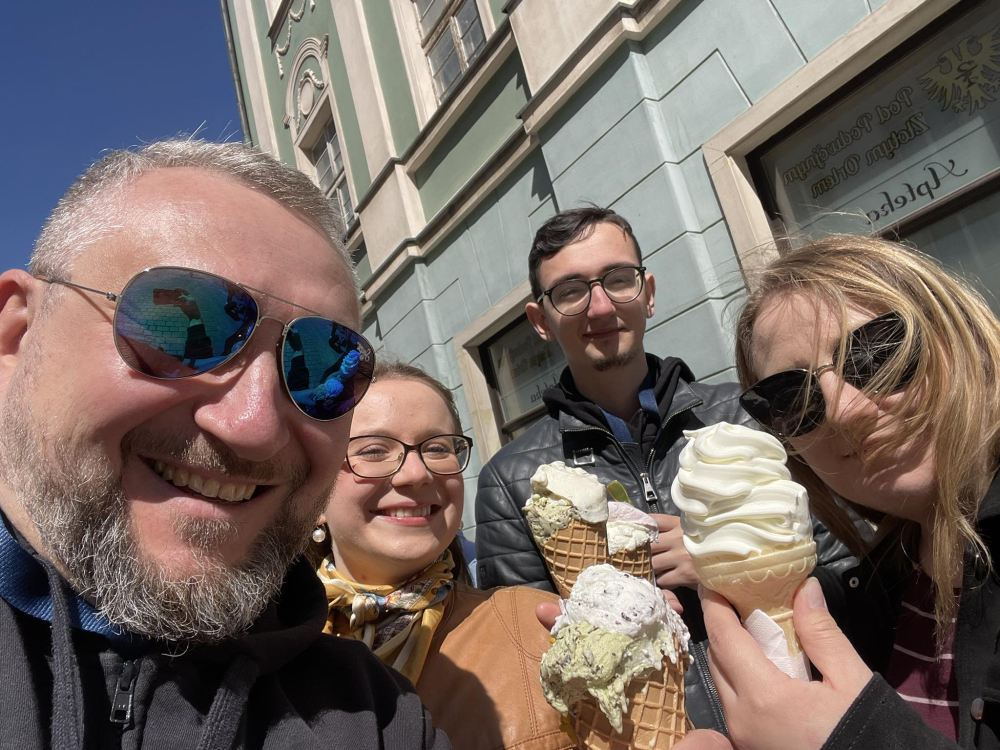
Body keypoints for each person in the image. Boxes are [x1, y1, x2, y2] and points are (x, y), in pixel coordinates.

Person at [0, 140, 446, 748]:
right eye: (183, 329)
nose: (255, 427)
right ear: (17, 337)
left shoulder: (380, 717)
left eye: (323, 364)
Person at [474, 206, 857, 731]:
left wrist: (728, 569)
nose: (600, 306)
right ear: (541, 321)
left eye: (618, 279)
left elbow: (854, 580)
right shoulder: (510, 480)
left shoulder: (749, 416)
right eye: (570, 291)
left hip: (811, 723)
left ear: (648, 292)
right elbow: (530, 663)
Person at [703, 234, 1000, 749]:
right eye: (792, 398)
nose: (844, 410)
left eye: (876, 352)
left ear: (961, 333)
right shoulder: (877, 592)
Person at [313, 359, 574, 750]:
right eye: (374, 450)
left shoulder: (544, 627)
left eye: (437, 448)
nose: (416, 473)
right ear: (313, 493)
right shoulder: (264, 656)